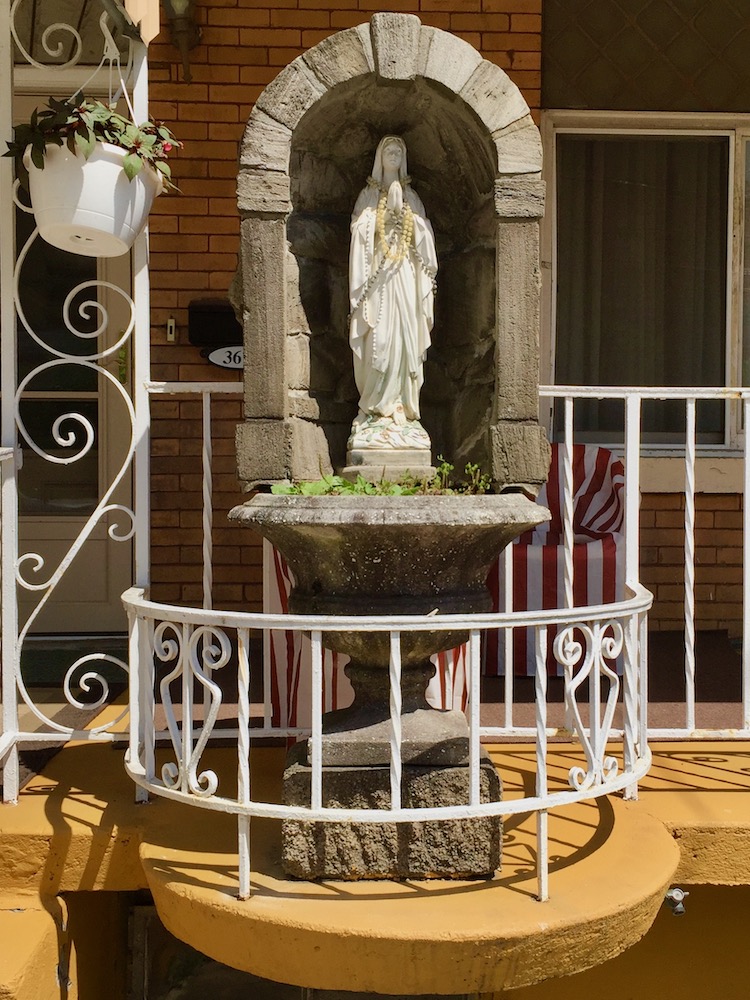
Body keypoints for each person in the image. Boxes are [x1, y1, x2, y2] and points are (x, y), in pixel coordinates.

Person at [348, 136, 437, 451]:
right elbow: (357, 231)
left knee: (405, 339)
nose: (394, 154)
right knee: (381, 338)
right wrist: (381, 217)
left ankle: (402, 405)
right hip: (378, 279)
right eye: (389, 150)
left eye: (399, 150)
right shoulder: (368, 195)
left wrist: (408, 217)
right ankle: (375, 407)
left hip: (405, 278)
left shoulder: (412, 197)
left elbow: (425, 239)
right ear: (380, 157)